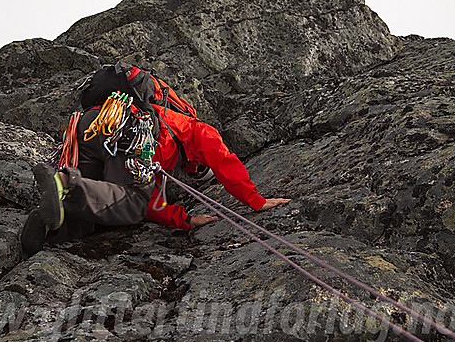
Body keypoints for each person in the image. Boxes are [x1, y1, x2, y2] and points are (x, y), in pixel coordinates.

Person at [20, 99, 290, 256]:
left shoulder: (166, 137)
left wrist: (185, 220)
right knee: (132, 203)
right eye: (197, 170)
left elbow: (156, 204)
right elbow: (225, 161)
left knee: (104, 204)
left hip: (94, 123)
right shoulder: (198, 131)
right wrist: (255, 201)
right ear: (198, 161)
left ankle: (52, 225)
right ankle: (65, 183)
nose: (190, 172)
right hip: (126, 133)